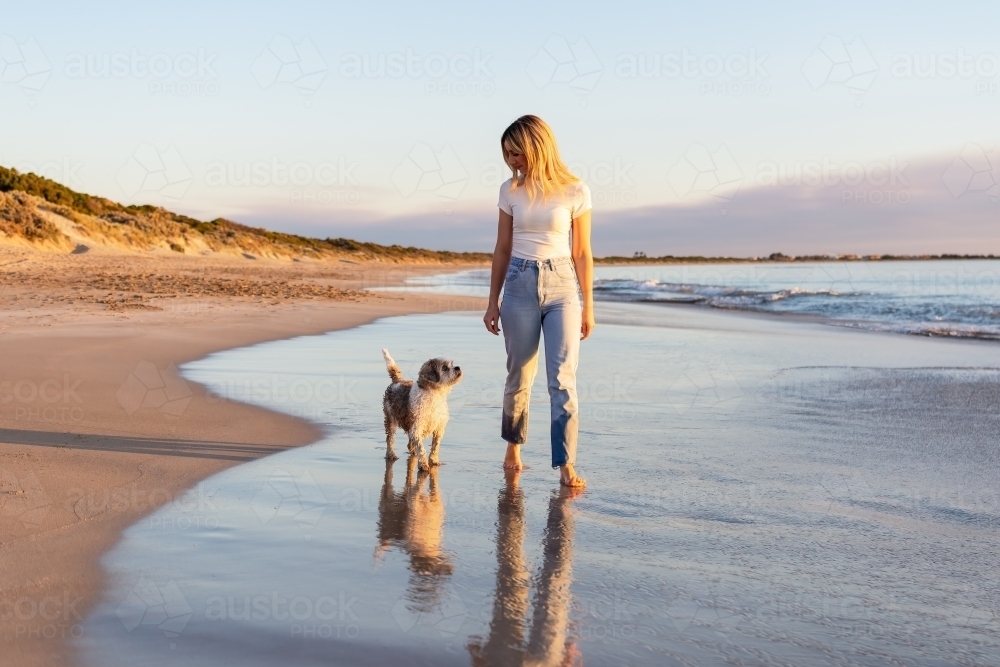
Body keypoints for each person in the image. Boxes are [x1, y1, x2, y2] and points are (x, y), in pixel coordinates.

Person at [482, 115, 594, 488]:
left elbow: (581, 252)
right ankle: (513, 446)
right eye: (508, 155)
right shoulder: (509, 191)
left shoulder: (575, 190)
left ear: (536, 146)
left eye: (517, 152)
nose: (513, 160)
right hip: (518, 283)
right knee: (520, 374)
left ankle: (566, 464)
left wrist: (589, 306)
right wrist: (492, 300)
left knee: (562, 380)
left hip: (563, 287)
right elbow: (501, 248)